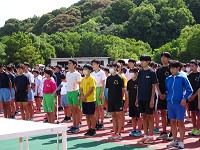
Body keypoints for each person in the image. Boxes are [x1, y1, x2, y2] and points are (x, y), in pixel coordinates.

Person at [166, 60, 193, 149]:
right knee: (172, 122)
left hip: (179, 104)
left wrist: (184, 98)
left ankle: (181, 141)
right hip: (170, 103)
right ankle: (174, 140)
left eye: (174, 68)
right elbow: (168, 90)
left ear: (178, 68)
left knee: (180, 122)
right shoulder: (168, 79)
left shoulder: (183, 78)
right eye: (171, 68)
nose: (172, 70)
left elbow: (190, 90)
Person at [136, 54, 157, 144]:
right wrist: (137, 98)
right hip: (141, 97)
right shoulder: (140, 72)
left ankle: (151, 136)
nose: (142, 62)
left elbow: (153, 86)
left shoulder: (152, 72)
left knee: (150, 116)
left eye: (143, 61)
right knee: (143, 116)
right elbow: (138, 85)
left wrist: (152, 99)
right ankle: (145, 135)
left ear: (148, 61)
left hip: (149, 98)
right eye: (141, 61)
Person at [156, 52, 172, 140]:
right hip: (161, 94)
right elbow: (156, 83)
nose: (163, 58)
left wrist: (165, 93)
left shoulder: (171, 68)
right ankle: (164, 131)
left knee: (171, 114)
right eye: (162, 57)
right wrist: (159, 93)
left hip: (169, 94)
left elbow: (171, 83)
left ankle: (173, 132)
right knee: (162, 112)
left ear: (169, 59)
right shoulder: (159, 70)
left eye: (165, 57)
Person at [106, 63, 124, 140]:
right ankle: (115, 132)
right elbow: (108, 89)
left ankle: (119, 133)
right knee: (113, 116)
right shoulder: (109, 78)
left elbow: (122, 90)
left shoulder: (120, 78)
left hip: (118, 100)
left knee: (119, 116)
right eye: (109, 67)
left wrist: (121, 99)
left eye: (112, 67)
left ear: (116, 68)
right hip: (111, 99)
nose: (110, 68)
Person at [80, 64, 97, 136]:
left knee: (91, 115)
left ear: (90, 70)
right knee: (86, 115)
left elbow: (91, 89)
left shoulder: (91, 78)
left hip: (91, 99)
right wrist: (82, 96)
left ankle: (93, 129)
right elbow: (80, 88)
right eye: (84, 69)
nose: (84, 70)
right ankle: (89, 128)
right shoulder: (83, 79)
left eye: (86, 69)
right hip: (84, 100)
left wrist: (85, 96)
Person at [66, 59, 82, 133]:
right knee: (72, 110)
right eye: (68, 63)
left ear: (74, 65)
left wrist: (80, 94)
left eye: (70, 63)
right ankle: (73, 125)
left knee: (76, 110)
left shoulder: (77, 74)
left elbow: (80, 85)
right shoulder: (67, 73)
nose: (68, 65)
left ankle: (77, 125)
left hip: (75, 92)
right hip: (68, 93)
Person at [91, 59, 106, 130]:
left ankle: (102, 122)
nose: (93, 66)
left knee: (100, 108)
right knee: (96, 108)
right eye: (92, 64)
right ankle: (97, 121)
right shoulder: (92, 74)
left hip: (100, 89)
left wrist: (101, 93)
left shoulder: (102, 73)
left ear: (98, 64)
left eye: (94, 64)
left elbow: (103, 84)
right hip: (94, 90)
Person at [127, 68, 142, 137]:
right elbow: (128, 92)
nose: (131, 74)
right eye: (130, 72)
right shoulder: (129, 82)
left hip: (138, 102)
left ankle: (139, 130)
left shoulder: (139, 81)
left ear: (136, 73)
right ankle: (134, 129)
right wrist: (127, 101)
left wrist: (137, 100)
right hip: (131, 101)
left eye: (132, 72)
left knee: (138, 117)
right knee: (132, 116)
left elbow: (139, 92)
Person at [187, 60, 200, 135]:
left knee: (198, 113)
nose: (191, 68)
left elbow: (199, 88)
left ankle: (198, 128)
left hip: (197, 96)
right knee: (192, 113)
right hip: (190, 97)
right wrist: (189, 96)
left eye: (193, 66)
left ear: (197, 66)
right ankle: (194, 128)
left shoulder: (199, 75)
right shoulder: (189, 76)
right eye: (190, 66)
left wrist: (194, 95)